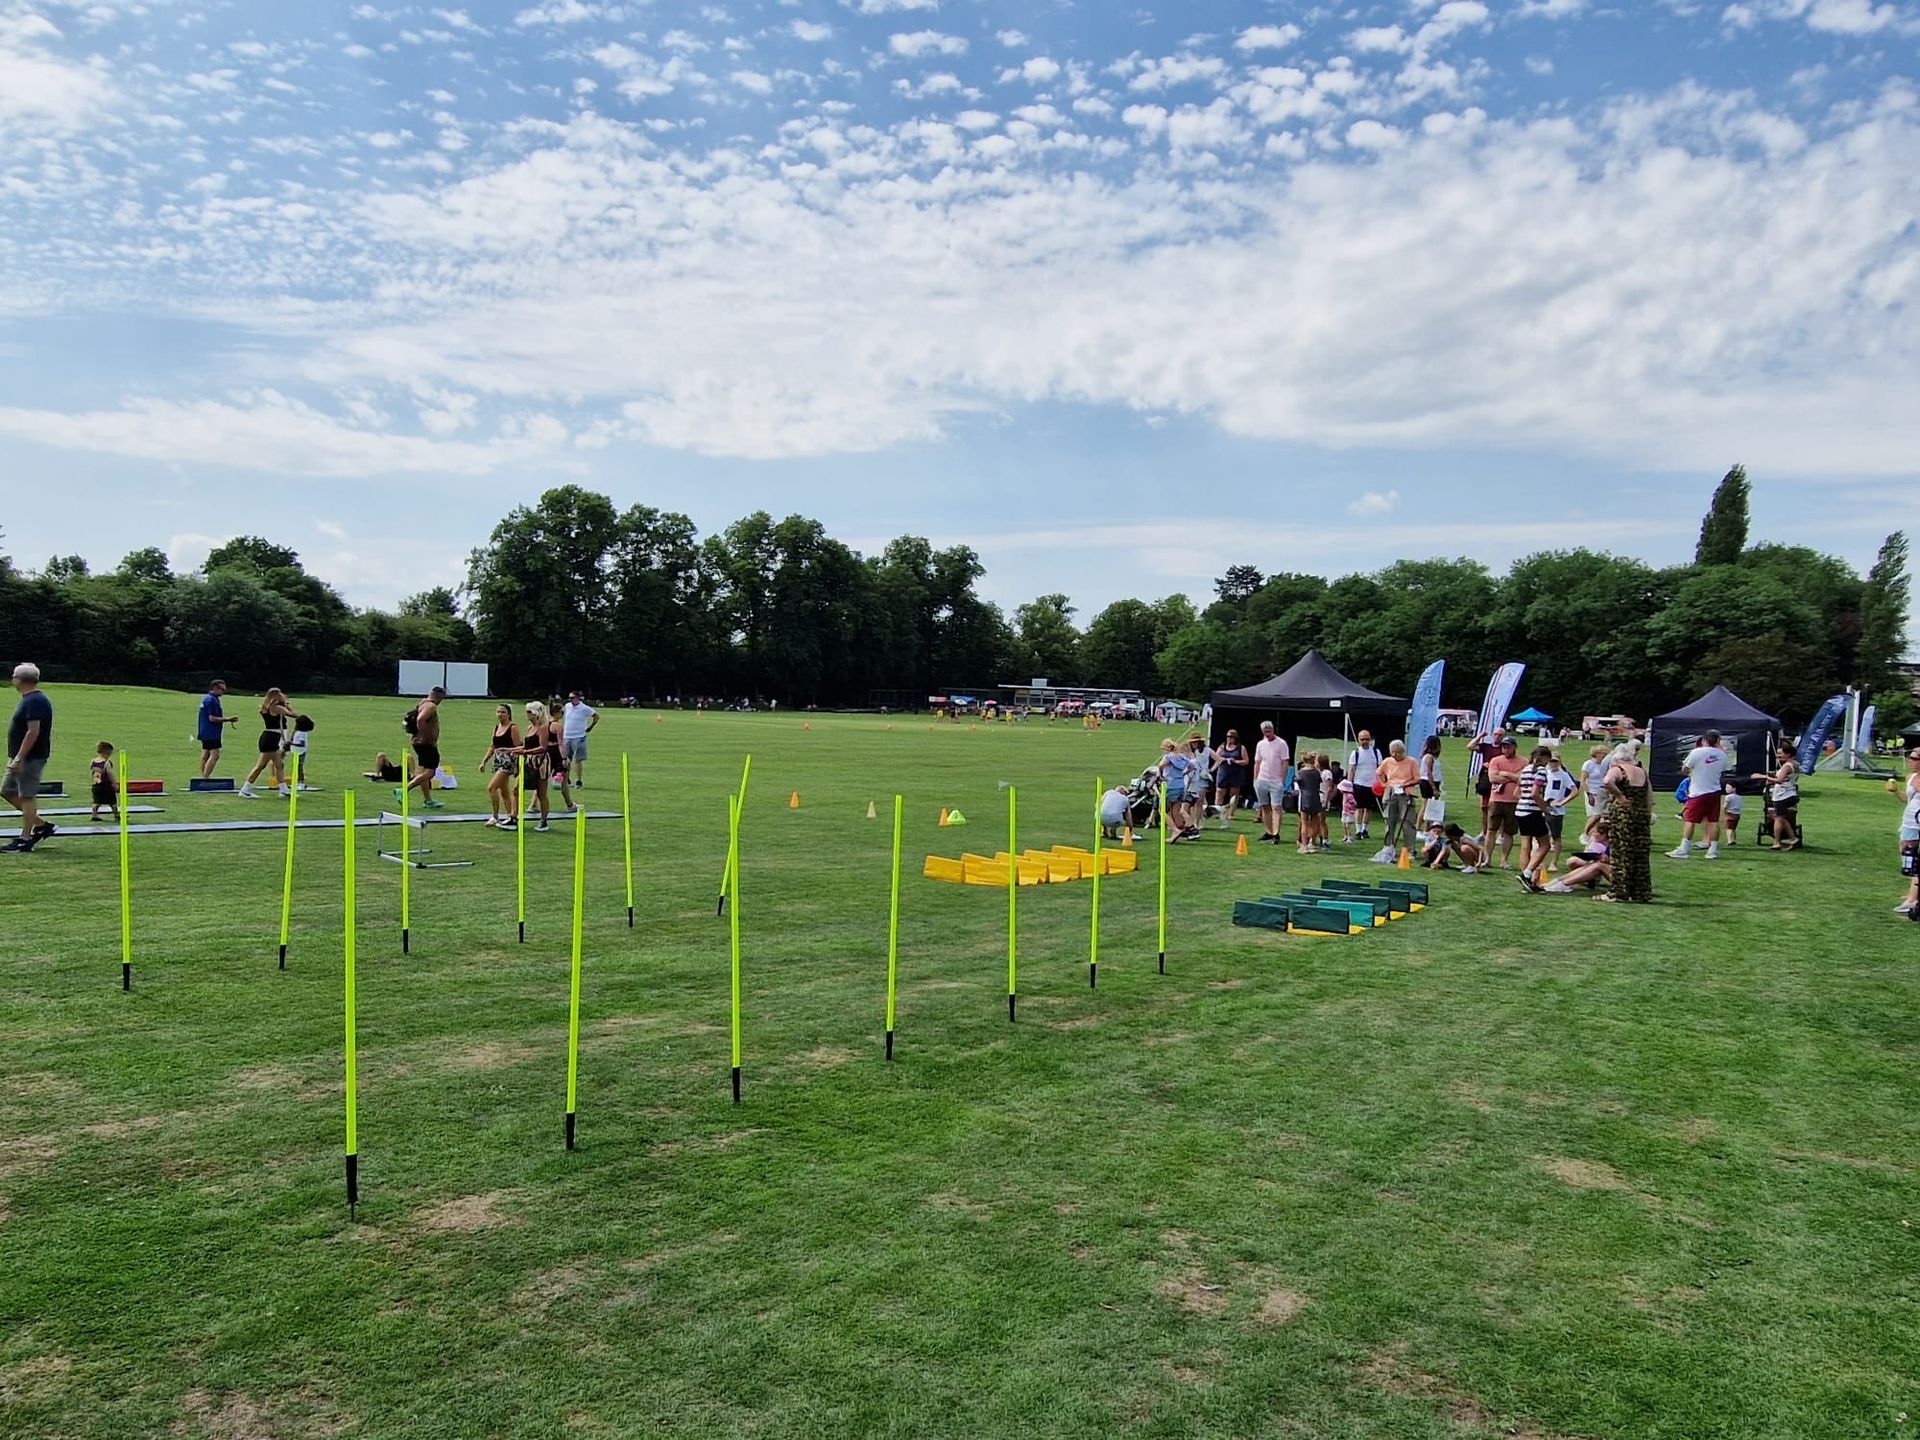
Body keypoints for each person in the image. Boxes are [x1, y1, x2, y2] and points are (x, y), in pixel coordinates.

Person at [2, 662, 54, 852]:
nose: (12, 679)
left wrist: (19, 758)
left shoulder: (34, 701)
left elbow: (33, 732)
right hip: (20, 756)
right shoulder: (29, 699)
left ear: (20, 679)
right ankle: (41, 826)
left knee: (26, 796)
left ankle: (25, 839)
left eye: (14, 676)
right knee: (7, 791)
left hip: (29, 757)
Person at [1599, 740, 1652, 903]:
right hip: (1641, 815)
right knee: (1640, 854)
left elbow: (1607, 781)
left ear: (1616, 760)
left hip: (1623, 815)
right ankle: (1640, 893)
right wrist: (1647, 815)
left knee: (1622, 853)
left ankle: (1619, 892)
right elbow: (1650, 797)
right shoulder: (1642, 772)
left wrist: (1620, 796)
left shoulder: (1618, 769)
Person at [1669, 730, 1728, 860]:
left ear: (1704, 740)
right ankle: (1712, 850)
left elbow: (1685, 769)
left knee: (1689, 820)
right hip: (1714, 791)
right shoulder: (1723, 755)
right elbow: (1722, 769)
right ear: (1718, 741)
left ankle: (1684, 849)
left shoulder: (1697, 752)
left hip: (1698, 792)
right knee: (1713, 821)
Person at [238, 687, 296, 799]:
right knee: (261, 766)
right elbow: (293, 715)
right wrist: (286, 704)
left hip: (269, 737)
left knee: (279, 764)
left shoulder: (266, 707)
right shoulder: (277, 708)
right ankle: (245, 789)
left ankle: (283, 790)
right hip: (271, 738)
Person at [1513, 745, 1555, 890]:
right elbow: (1535, 793)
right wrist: (1545, 808)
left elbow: (1516, 792)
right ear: (1544, 758)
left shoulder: (1525, 769)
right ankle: (1527, 873)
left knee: (1526, 845)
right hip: (1532, 811)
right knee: (1545, 845)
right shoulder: (1542, 771)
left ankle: (1527, 879)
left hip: (1520, 810)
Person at [1375, 739, 1420, 863]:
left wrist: (1405, 784)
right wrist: (1384, 783)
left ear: (1402, 752)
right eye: (1392, 752)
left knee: (1407, 822)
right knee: (1389, 820)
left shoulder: (1411, 762)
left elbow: (1417, 779)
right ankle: (1388, 846)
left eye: (1397, 753)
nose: (1394, 755)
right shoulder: (1388, 761)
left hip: (1405, 793)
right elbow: (1379, 772)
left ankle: (1409, 850)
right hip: (1391, 791)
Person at [402, 686, 447, 810]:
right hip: (425, 743)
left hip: (419, 742)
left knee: (423, 772)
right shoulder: (431, 706)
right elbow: (421, 720)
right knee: (430, 772)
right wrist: (426, 737)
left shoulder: (422, 703)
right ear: (439, 696)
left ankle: (428, 800)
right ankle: (404, 790)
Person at [1484, 735, 1525, 869]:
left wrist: (1505, 774)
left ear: (1515, 747)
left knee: (1509, 832)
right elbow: (1492, 778)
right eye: (1503, 746)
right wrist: (1513, 776)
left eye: (1508, 747)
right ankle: (1487, 859)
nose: (1505, 749)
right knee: (1491, 830)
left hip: (1513, 801)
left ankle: (1504, 860)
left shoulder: (1523, 761)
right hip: (1496, 800)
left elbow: (1522, 779)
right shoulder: (1496, 760)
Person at [1751, 744, 1801, 850]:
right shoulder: (1795, 764)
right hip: (1789, 793)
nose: (1777, 755)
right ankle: (1793, 839)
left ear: (1788, 754)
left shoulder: (1787, 766)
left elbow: (1779, 780)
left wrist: (1763, 776)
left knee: (1778, 818)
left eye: (1780, 753)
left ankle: (1777, 842)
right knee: (1781, 817)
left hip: (1783, 796)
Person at [480, 703, 522, 829]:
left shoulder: (513, 728)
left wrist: (516, 765)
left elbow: (518, 746)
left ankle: (495, 816)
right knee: (504, 792)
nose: (500, 715)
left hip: (508, 762)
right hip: (498, 761)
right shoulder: (497, 727)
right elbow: (493, 746)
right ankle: (511, 816)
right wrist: (484, 761)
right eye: (498, 712)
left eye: (503, 712)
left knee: (491, 787)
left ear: (508, 714)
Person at [519, 701, 559, 831]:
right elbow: (527, 745)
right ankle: (513, 816)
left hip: (540, 762)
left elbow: (543, 747)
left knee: (541, 793)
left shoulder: (543, 728)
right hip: (529, 761)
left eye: (529, 712)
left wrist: (525, 752)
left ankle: (544, 820)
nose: (527, 714)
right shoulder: (529, 728)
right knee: (516, 789)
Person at [1541, 748, 1580, 874]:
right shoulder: (1544, 772)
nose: (1553, 764)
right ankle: (1540, 861)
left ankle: (1554, 862)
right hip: (1543, 807)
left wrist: (1562, 802)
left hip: (1556, 810)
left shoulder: (1563, 775)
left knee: (1556, 836)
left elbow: (1574, 790)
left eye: (1555, 761)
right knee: (1541, 836)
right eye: (1551, 761)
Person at [1252, 721, 1290, 845]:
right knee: (1264, 806)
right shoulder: (1260, 744)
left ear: (1273, 730)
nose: (1267, 734)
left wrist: (1282, 779)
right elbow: (1257, 762)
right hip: (1262, 779)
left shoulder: (1281, 743)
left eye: (1269, 731)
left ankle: (1276, 833)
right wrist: (1255, 779)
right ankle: (1268, 831)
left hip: (1276, 780)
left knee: (1276, 807)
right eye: (1265, 732)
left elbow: (1285, 762)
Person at [1894, 748, 1920, 917]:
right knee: (1907, 857)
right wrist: (1895, 792)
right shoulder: (1910, 777)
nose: (1910, 761)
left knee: (1917, 862)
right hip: (1910, 820)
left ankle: (1912, 899)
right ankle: (1914, 894)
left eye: (1913, 758)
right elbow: (1908, 800)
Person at [196, 679, 238, 779]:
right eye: (222, 690)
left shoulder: (207, 698)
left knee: (206, 754)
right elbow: (212, 718)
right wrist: (228, 719)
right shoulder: (211, 700)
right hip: (211, 732)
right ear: (215, 688)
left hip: (205, 731)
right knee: (215, 755)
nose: (223, 692)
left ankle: (204, 776)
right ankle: (206, 778)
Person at [1156, 738, 1194, 841]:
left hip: (1171, 785)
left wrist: (1161, 775)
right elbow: (1191, 766)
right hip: (1181, 785)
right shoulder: (1181, 757)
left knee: (1162, 810)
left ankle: (1175, 829)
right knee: (1175, 810)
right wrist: (1183, 774)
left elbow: (1161, 765)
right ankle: (1178, 830)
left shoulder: (1168, 757)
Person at [1347, 729, 1382, 841]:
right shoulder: (1355, 753)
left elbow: (1380, 768)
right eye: (1362, 739)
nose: (1365, 741)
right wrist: (1349, 784)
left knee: (1369, 808)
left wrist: (1380, 782)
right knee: (1359, 807)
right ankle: (1358, 830)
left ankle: (1365, 829)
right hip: (1359, 783)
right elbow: (1351, 769)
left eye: (1367, 739)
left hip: (1372, 785)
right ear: (1358, 739)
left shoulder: (1376, 752)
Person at [561, 691, 599, 788]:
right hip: (566, 736)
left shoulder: (584, 708)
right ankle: (567, 779)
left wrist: (591, 726)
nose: (570, 699)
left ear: (578, 698)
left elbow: (596, 716)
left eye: (572, 697)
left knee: (578, 759)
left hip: (579, 736)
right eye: (569, 697)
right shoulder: (567, 706)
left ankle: (578, 780)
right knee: (566, 759)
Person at [1213, 728, 1250, 828]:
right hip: (1223, 772)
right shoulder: (1222, 747)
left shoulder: (1241, 748)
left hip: (1235, 773)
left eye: (1231, 737)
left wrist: (1235, 761)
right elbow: (1216, 757)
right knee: (1219, 792)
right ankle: (1216, 811)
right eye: (1228, 737)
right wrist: (1224, 759)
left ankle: (1231, 813)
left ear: (1235, 738)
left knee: (1234, 794)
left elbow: (1246, 761)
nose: (1229, 739)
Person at [1295, 749, 1324, 855]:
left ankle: (1304, 845)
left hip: (1304, 799)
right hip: (1315, 799)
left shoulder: (1301, 773)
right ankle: (1312, 842)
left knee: (1304, 822)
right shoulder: (1316, 772)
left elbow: (1297, 782)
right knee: (1315, 822)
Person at [1418, 735, 1445, 831]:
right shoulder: (1429, 757)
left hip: (1434, 781)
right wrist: (1433, 788)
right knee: (1425, 806)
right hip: (1428, 782)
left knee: (1430, 807)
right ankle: (1418, 828)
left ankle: (1427, 829)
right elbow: (1429, 772)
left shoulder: (1434, 757)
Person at [89, 741, 118, 823]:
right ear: (107, 752)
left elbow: (92, 771)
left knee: (96, 802)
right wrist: (115, 783)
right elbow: (110, 774)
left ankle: (94, 815)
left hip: (96, 785)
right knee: (112, 802)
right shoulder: (106, 763)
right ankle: (116, 815)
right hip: (106, 785)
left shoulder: (93, 761)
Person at [1580, 745, 1611, 822]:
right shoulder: (1588, 764)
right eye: (1603, 753)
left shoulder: (1606, 765)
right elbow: (1583, 781)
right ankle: (1588, 833)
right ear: (1597, 754)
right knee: (1594, 816)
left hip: (1603, 793)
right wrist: (1589, 794)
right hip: (1592, 792)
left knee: (1604, 817)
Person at [286, 714, 316, 791]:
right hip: (296, 752)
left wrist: (291, 744)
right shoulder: (298, 732)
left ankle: (301, 783)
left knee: (299, 768)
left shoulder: (301, 733)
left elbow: (302, 744)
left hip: (300, 752)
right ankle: (297, 782)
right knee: (296, 767)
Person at [1721, 781, 1743, 845]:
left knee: (1729, 828)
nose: (1726, 789)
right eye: (1726, 787)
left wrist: (1724, 812)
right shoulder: (1739, 797)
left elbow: (1725, 806)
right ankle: (1733, 839)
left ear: (1734, 788)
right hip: (1737, 814)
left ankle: (1729, 840)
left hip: (1730, 814)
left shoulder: (1728, 797)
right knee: (1733, 828)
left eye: (1728, 787)